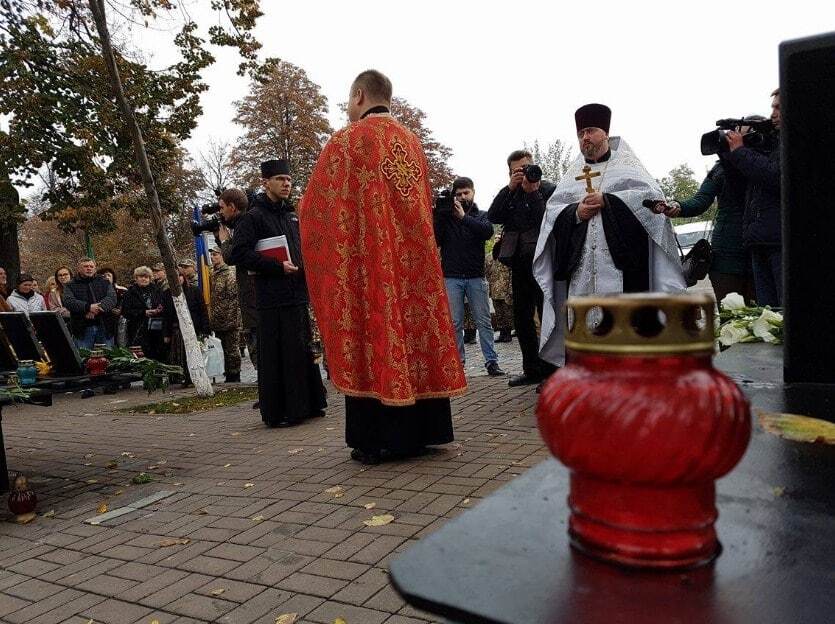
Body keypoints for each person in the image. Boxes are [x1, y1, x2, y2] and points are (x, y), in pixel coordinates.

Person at [299, 69, 466, 464]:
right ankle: (426, 432)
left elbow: (317, 209)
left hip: (371, 267)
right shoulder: (411, 143)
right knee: (413, 338)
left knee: (375, 336)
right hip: (416, 270)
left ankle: (379, 440)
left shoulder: (346, 142)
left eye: (347, 99)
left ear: (359, 95)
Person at [533, 103, 686, 368]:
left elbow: (650, 205)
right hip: (582, 273)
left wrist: (610, 201)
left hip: (623, 271)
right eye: (581, 133)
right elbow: (552, 217)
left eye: (590, 131)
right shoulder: (572, 177)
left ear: (605, 133)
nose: (585, 138)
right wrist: (576, 212)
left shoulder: (629, 169)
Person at [229, 158, 327, 427]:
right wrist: (274, 266)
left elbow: (301, 248)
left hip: (296, 293)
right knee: (278, 356)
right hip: (272, 299)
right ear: (266, 182)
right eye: (280, 180)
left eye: (289, 180)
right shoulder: (253, 217)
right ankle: (280, 411)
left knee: (302, 351)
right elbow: (239, 254)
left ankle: (308, 404)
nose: (286, 184)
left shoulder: (290, 214)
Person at [661, 121, 762, 304]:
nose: (732, 138)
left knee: (768, 317)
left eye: (740, 135)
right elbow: (700, 201)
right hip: (726, 255)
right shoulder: (721, 168)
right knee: (733, 319)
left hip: (762, 252)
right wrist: (677, 206)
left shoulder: (767, 163)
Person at [488, 149, 557, 387]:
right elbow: (494, 216)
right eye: (517, 170)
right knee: (522, 317)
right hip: (518, 263)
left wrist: (533, 192)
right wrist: (510, 188)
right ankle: (532, 368)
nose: (523, 173)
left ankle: (552, 372)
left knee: (547, 315)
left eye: (526, 168)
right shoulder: (510, 194)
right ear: (510, 172)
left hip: (544, 261)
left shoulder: (547, 189)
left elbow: (550, 219)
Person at [434, 176, 504, 376]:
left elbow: (487, 232)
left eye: (466, 193)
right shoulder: (446, 218)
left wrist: (464, 217)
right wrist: (440, 213)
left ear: (473, 192)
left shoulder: (481, 215)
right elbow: (435, 238)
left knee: (483, 321)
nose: (463, 197)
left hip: (475, 276)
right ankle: (458, 363)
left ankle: (491, 361)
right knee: (455, 322)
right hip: (452, 276)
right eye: (458, 194)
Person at [725, 89, 782, 307]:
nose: (773, 114)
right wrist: (730, 152)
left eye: (778, 107)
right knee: (769, 313)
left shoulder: (790, 142)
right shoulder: (771, 144)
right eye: (772, 108)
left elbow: (776, 177)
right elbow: (738, 186)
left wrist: (740, 151)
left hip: (779, 241)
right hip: (759, 239)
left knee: (784, 312)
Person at [215, 188, 258, 371]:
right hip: (253, 301)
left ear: (232, 207)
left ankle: (269, 394)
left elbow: (234, 256)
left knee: (258, 346)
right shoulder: (247, 222)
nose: (221, 212)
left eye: (222, 207)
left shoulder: (245, 224)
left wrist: (225, 241)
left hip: (253, 300)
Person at [60, 257, 117, 349]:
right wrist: (88, 307)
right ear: (78, 268)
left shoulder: (104, 282)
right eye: (86, 266)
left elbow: (112, 298)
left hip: (105, 327)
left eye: (91, 266)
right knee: (84, 359)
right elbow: (69, 301)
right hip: (82, 329)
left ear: (95, 268)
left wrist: (97, 309)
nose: (89, 268)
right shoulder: (70, 285)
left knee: (108, 358)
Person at [209, 246, 242, 383]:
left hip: (229, 318)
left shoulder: (229, 273)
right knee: (222, 349)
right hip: (217, 318)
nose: (213, 257)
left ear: (222, 256)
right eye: (212, 255)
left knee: (232, 349)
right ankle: (227, 373)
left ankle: (234, 375)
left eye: (216, 254)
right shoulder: (213, 274)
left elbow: (233, 297)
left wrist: (231, 318)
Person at [121, 266, 168, 361]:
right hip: (137, 329)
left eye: (146, 277)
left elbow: (164, 305)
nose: (144, 279)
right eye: (141, 276)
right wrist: (143, 312)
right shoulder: (130, 293)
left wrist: (159, 309)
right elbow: (125, 312)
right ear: (136, 278)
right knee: (139, 357)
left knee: (157, 355)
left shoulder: (157, 290)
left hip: (156, 329)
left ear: (150, 278)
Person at [486, 233, 514, 343]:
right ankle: (502, 332)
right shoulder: (489, 257)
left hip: (506, 290)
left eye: (499, 238)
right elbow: (486, 273)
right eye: (496, 238)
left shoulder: (507, 255)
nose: (497, 240)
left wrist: (511, 288)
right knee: (498, 313)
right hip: (494, 290)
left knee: (508, 313)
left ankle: (508, 333)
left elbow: (512, 273)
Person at [97, 266, 127, 345]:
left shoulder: (122, 290)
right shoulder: (95, 292)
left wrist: (121, 310)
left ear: (113, 277)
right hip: (103, 325)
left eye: (108, 275)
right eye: (103, 276)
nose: (106, 278)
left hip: (120, 324)